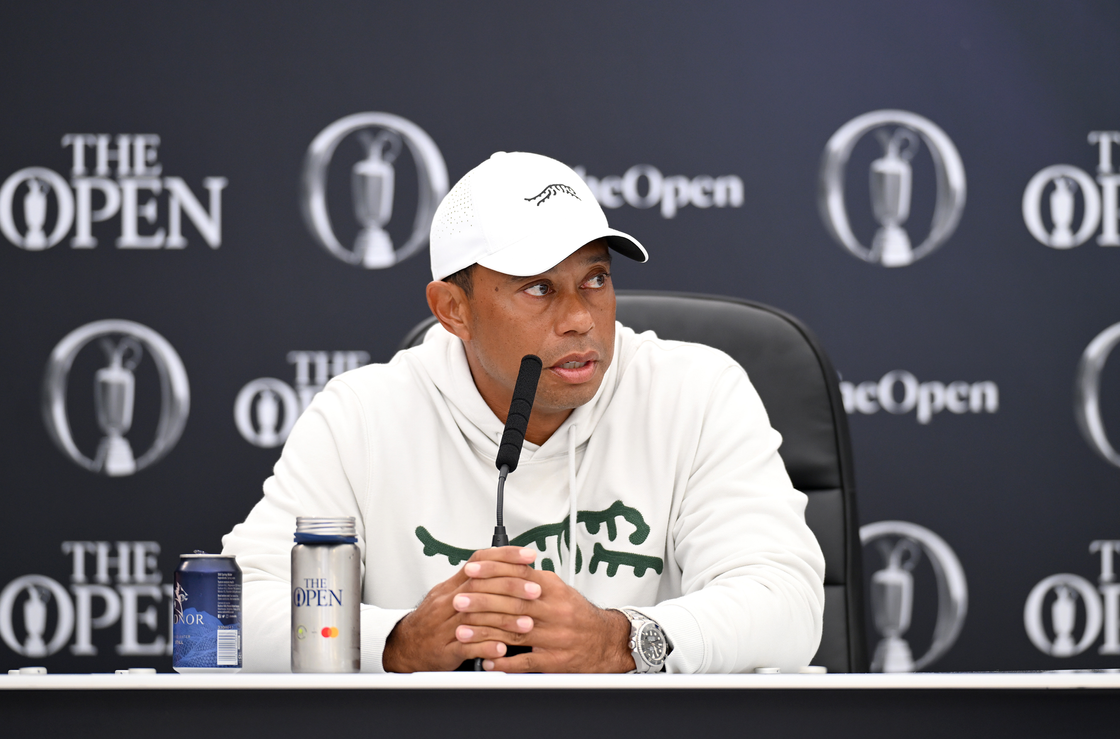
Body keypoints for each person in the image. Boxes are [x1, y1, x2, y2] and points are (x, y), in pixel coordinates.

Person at [222, 151, 825, 674]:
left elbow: (785, 603)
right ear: (453, 309)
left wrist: (621, 640)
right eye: (538, 288)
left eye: (595, 279)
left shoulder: (697, 394)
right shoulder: (363, 417)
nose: (581, 319)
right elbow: (235, 608)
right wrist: (399, 642)